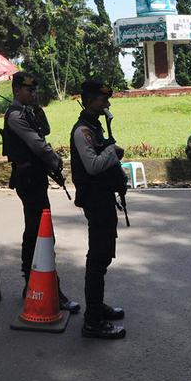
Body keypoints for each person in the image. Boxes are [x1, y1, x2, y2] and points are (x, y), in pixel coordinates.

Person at [2, 72, 80, 313]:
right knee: (42, 234)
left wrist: (37, 108)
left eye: (34, 90)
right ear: (16, 91)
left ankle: (30, 285)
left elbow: (45, 128)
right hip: (28, 179)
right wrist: (56, 160)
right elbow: (36, 143)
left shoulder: (29, 112)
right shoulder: (15, 116)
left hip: (35, 178)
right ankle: (50, 290)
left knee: (36, 230)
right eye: (28, 90)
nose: (33, 94)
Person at [70, 79, 127, 340]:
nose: (107, 104)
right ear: (90, 101)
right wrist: (113, 151)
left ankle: (97, 306)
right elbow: (93, 165)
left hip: (103, 198)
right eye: (103, 100)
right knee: (98, 257)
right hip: (95, 200)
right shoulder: (82, 130)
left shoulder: (94, 125)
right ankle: (93, 321)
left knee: (103, 256)